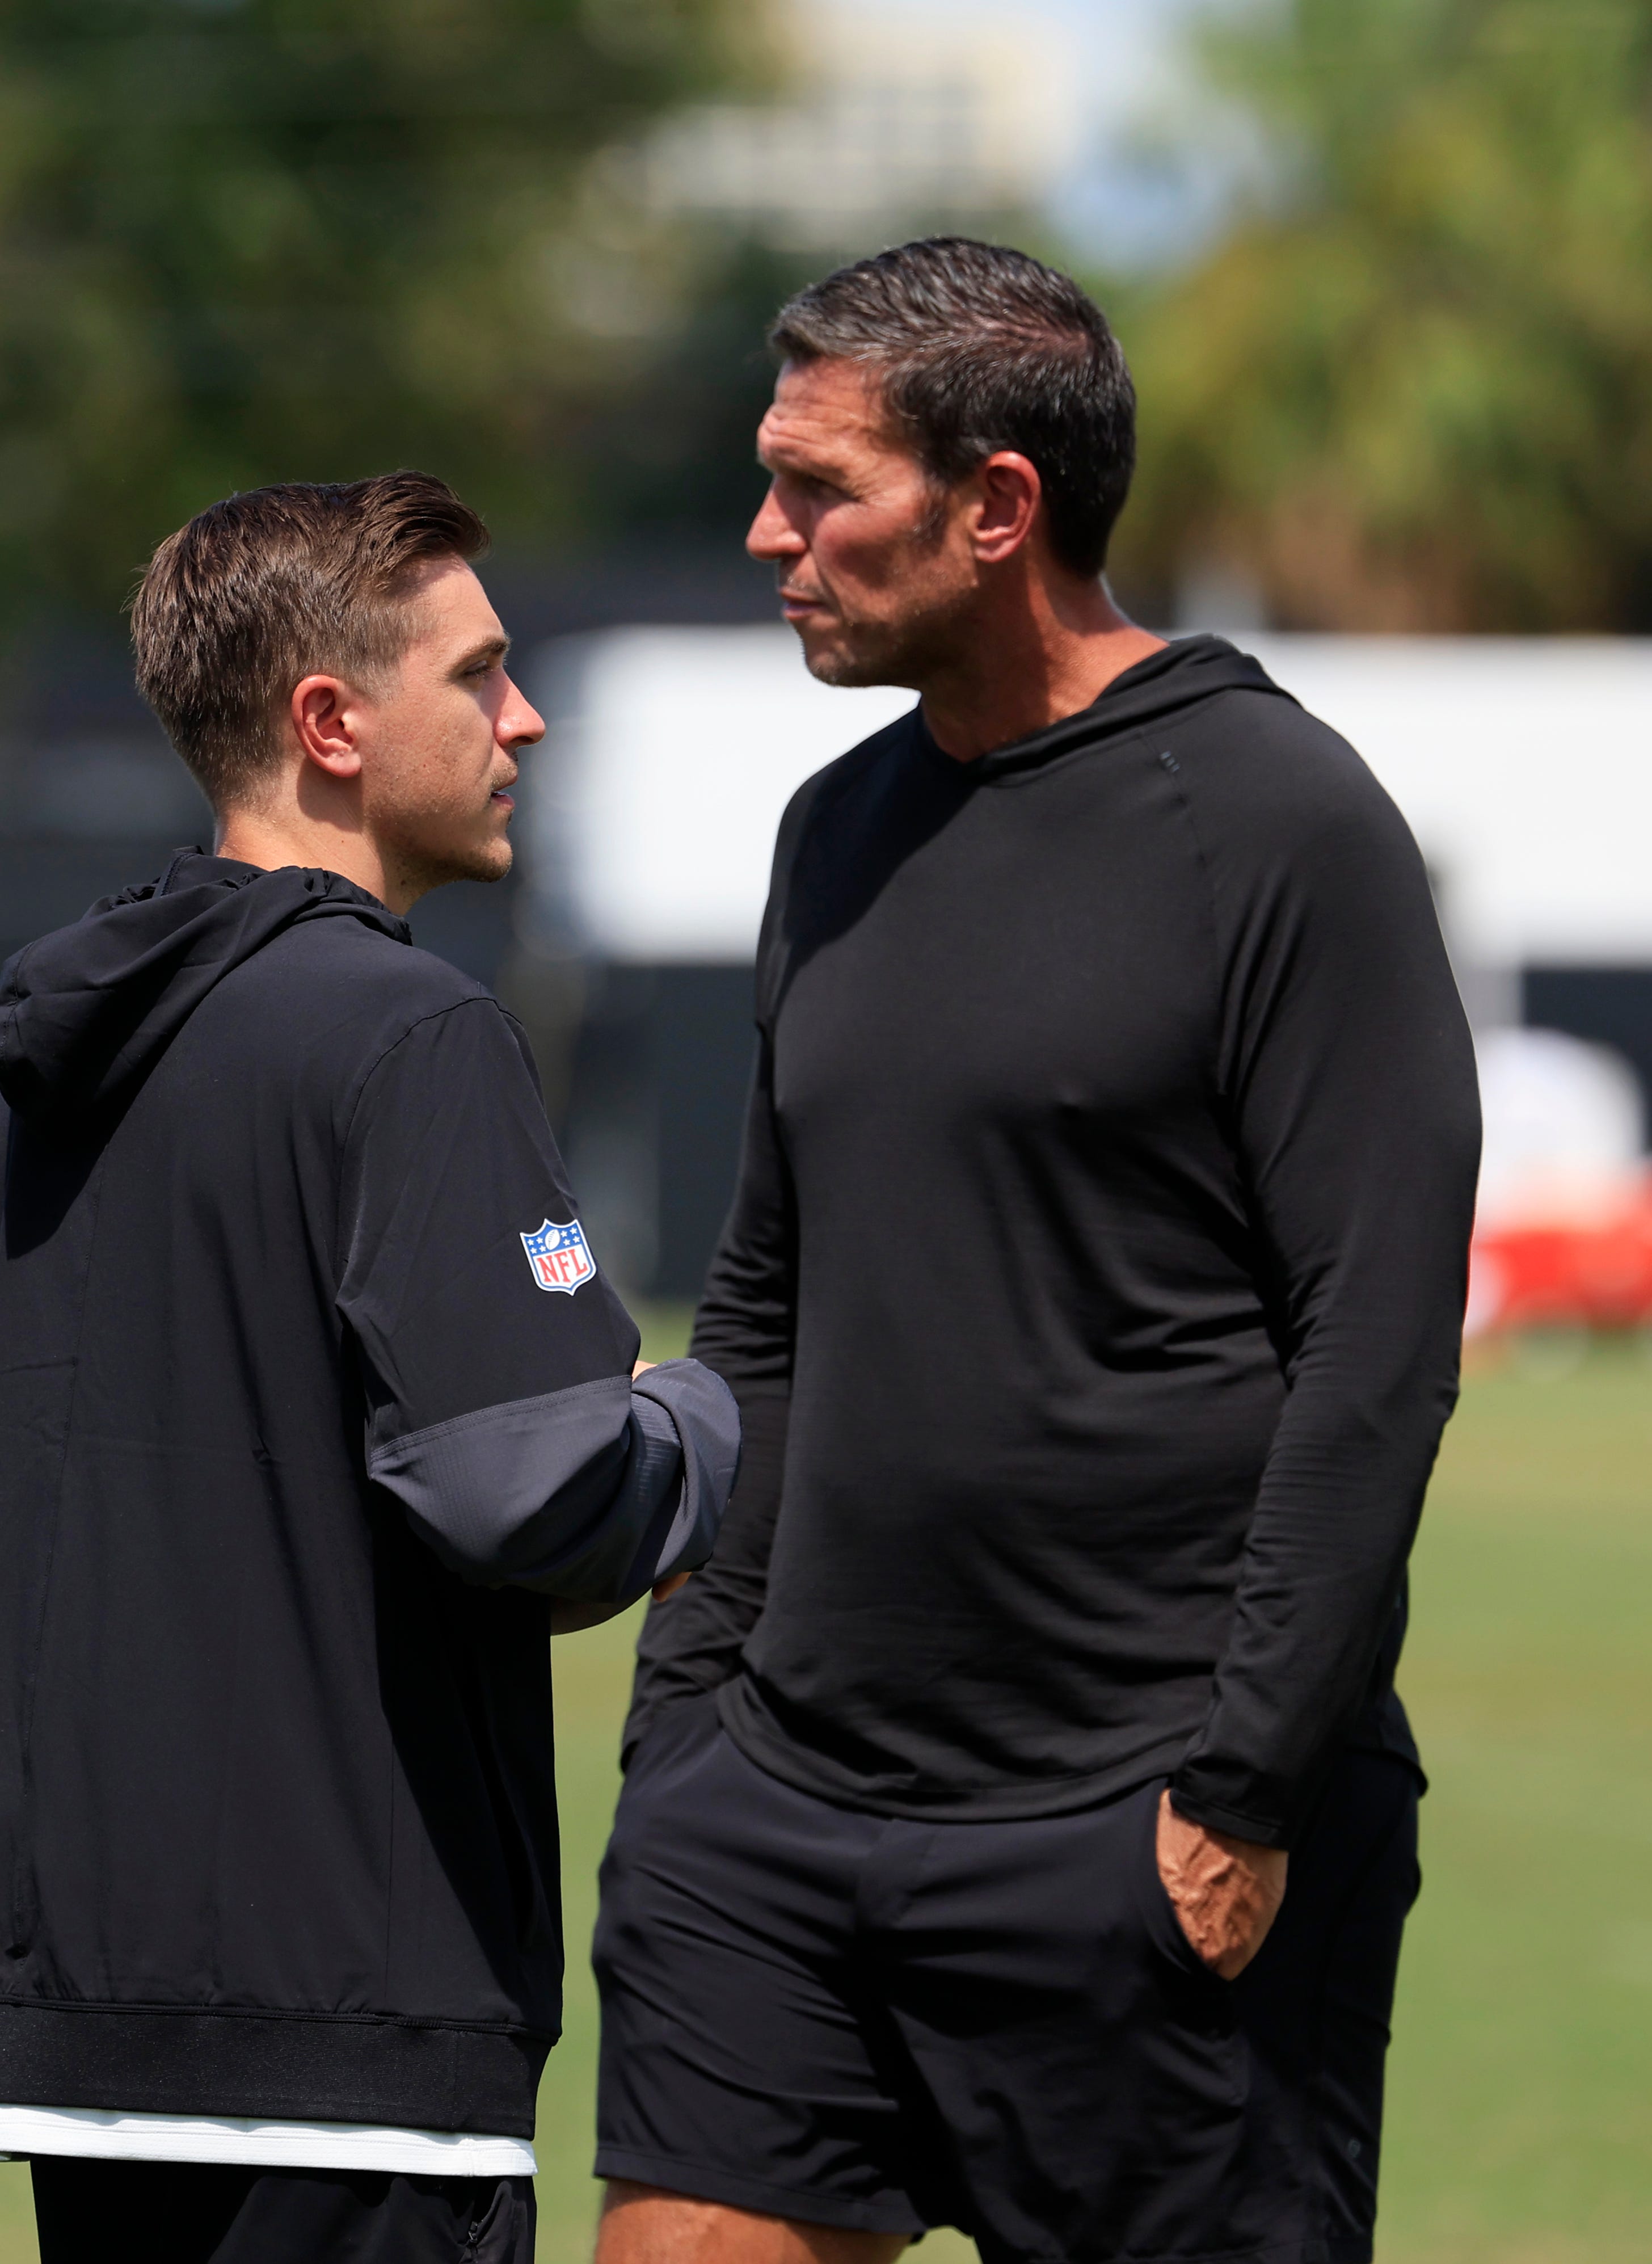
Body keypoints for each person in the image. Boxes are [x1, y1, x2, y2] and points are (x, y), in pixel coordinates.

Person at [591, 241, 1478, 2264]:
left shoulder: (1278, 821)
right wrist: (687, 1733)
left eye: (821, 489)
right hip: (778, 1821)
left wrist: (1244, 1786)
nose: (767, 534)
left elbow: (1378, 1341)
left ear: (998, 509)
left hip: (1147, 1829)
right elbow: (767, 1308)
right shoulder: (833, 831)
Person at [0, 472, 737, 2264]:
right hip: (354, 2023)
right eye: (481, 675)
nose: (526, 715)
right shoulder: (412, 1030)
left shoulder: (36, 1046)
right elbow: (543, 1499)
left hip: (77, 2023)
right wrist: (720, 1417)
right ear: (331, 723)